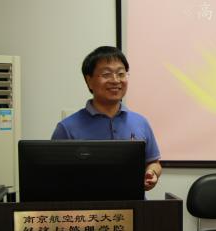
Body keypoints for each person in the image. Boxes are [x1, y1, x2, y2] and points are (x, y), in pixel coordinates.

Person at [52, 46, 161, 191]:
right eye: (106, 74)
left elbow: (154, 162)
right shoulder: (67, 128)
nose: (115, 80)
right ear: (89, 81)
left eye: (121, 74)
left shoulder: (140, 122)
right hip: (87, 204)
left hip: (135, 202)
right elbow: (54, 176)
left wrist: (152, 173)